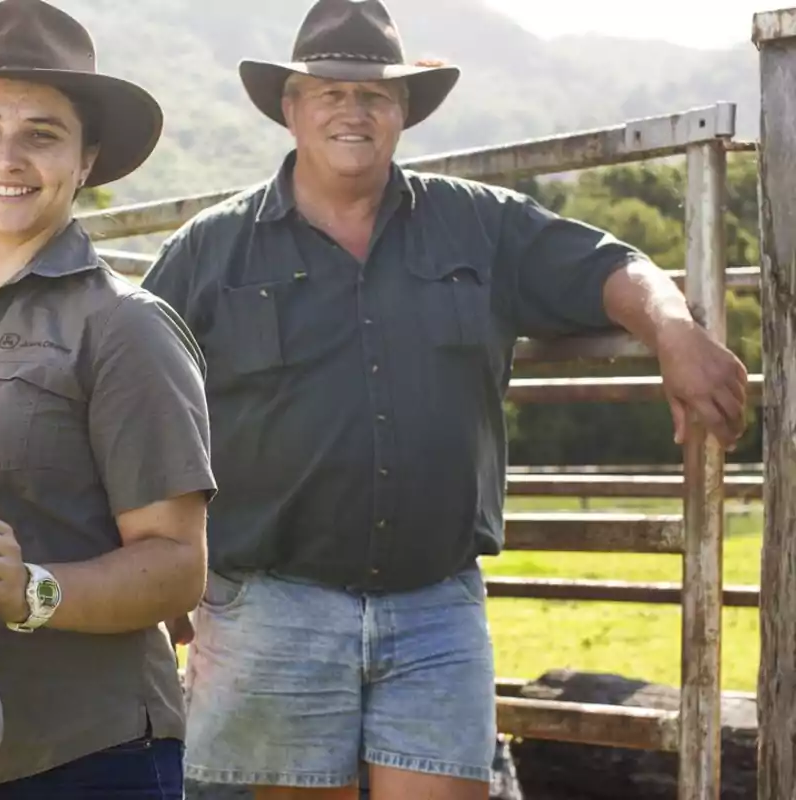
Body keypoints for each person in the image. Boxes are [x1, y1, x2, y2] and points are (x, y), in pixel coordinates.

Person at [140, 0, 750, 798]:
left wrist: (673, 329)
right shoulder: (211, 248)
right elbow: (139, 396)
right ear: (291, 108)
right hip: (271, 603)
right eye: (329, 91)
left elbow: (606, 262)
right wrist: (158, 559)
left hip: (434, 605)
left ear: (404, 113)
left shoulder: (477, 226)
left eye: (375, 95)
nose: (352, 111)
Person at [0, 0, 217, 796]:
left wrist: (34, 591)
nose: (6, 155)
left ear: (86, 161)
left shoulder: (127, 329)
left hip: (84, 759)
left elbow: (176, 567)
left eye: (42, 134)